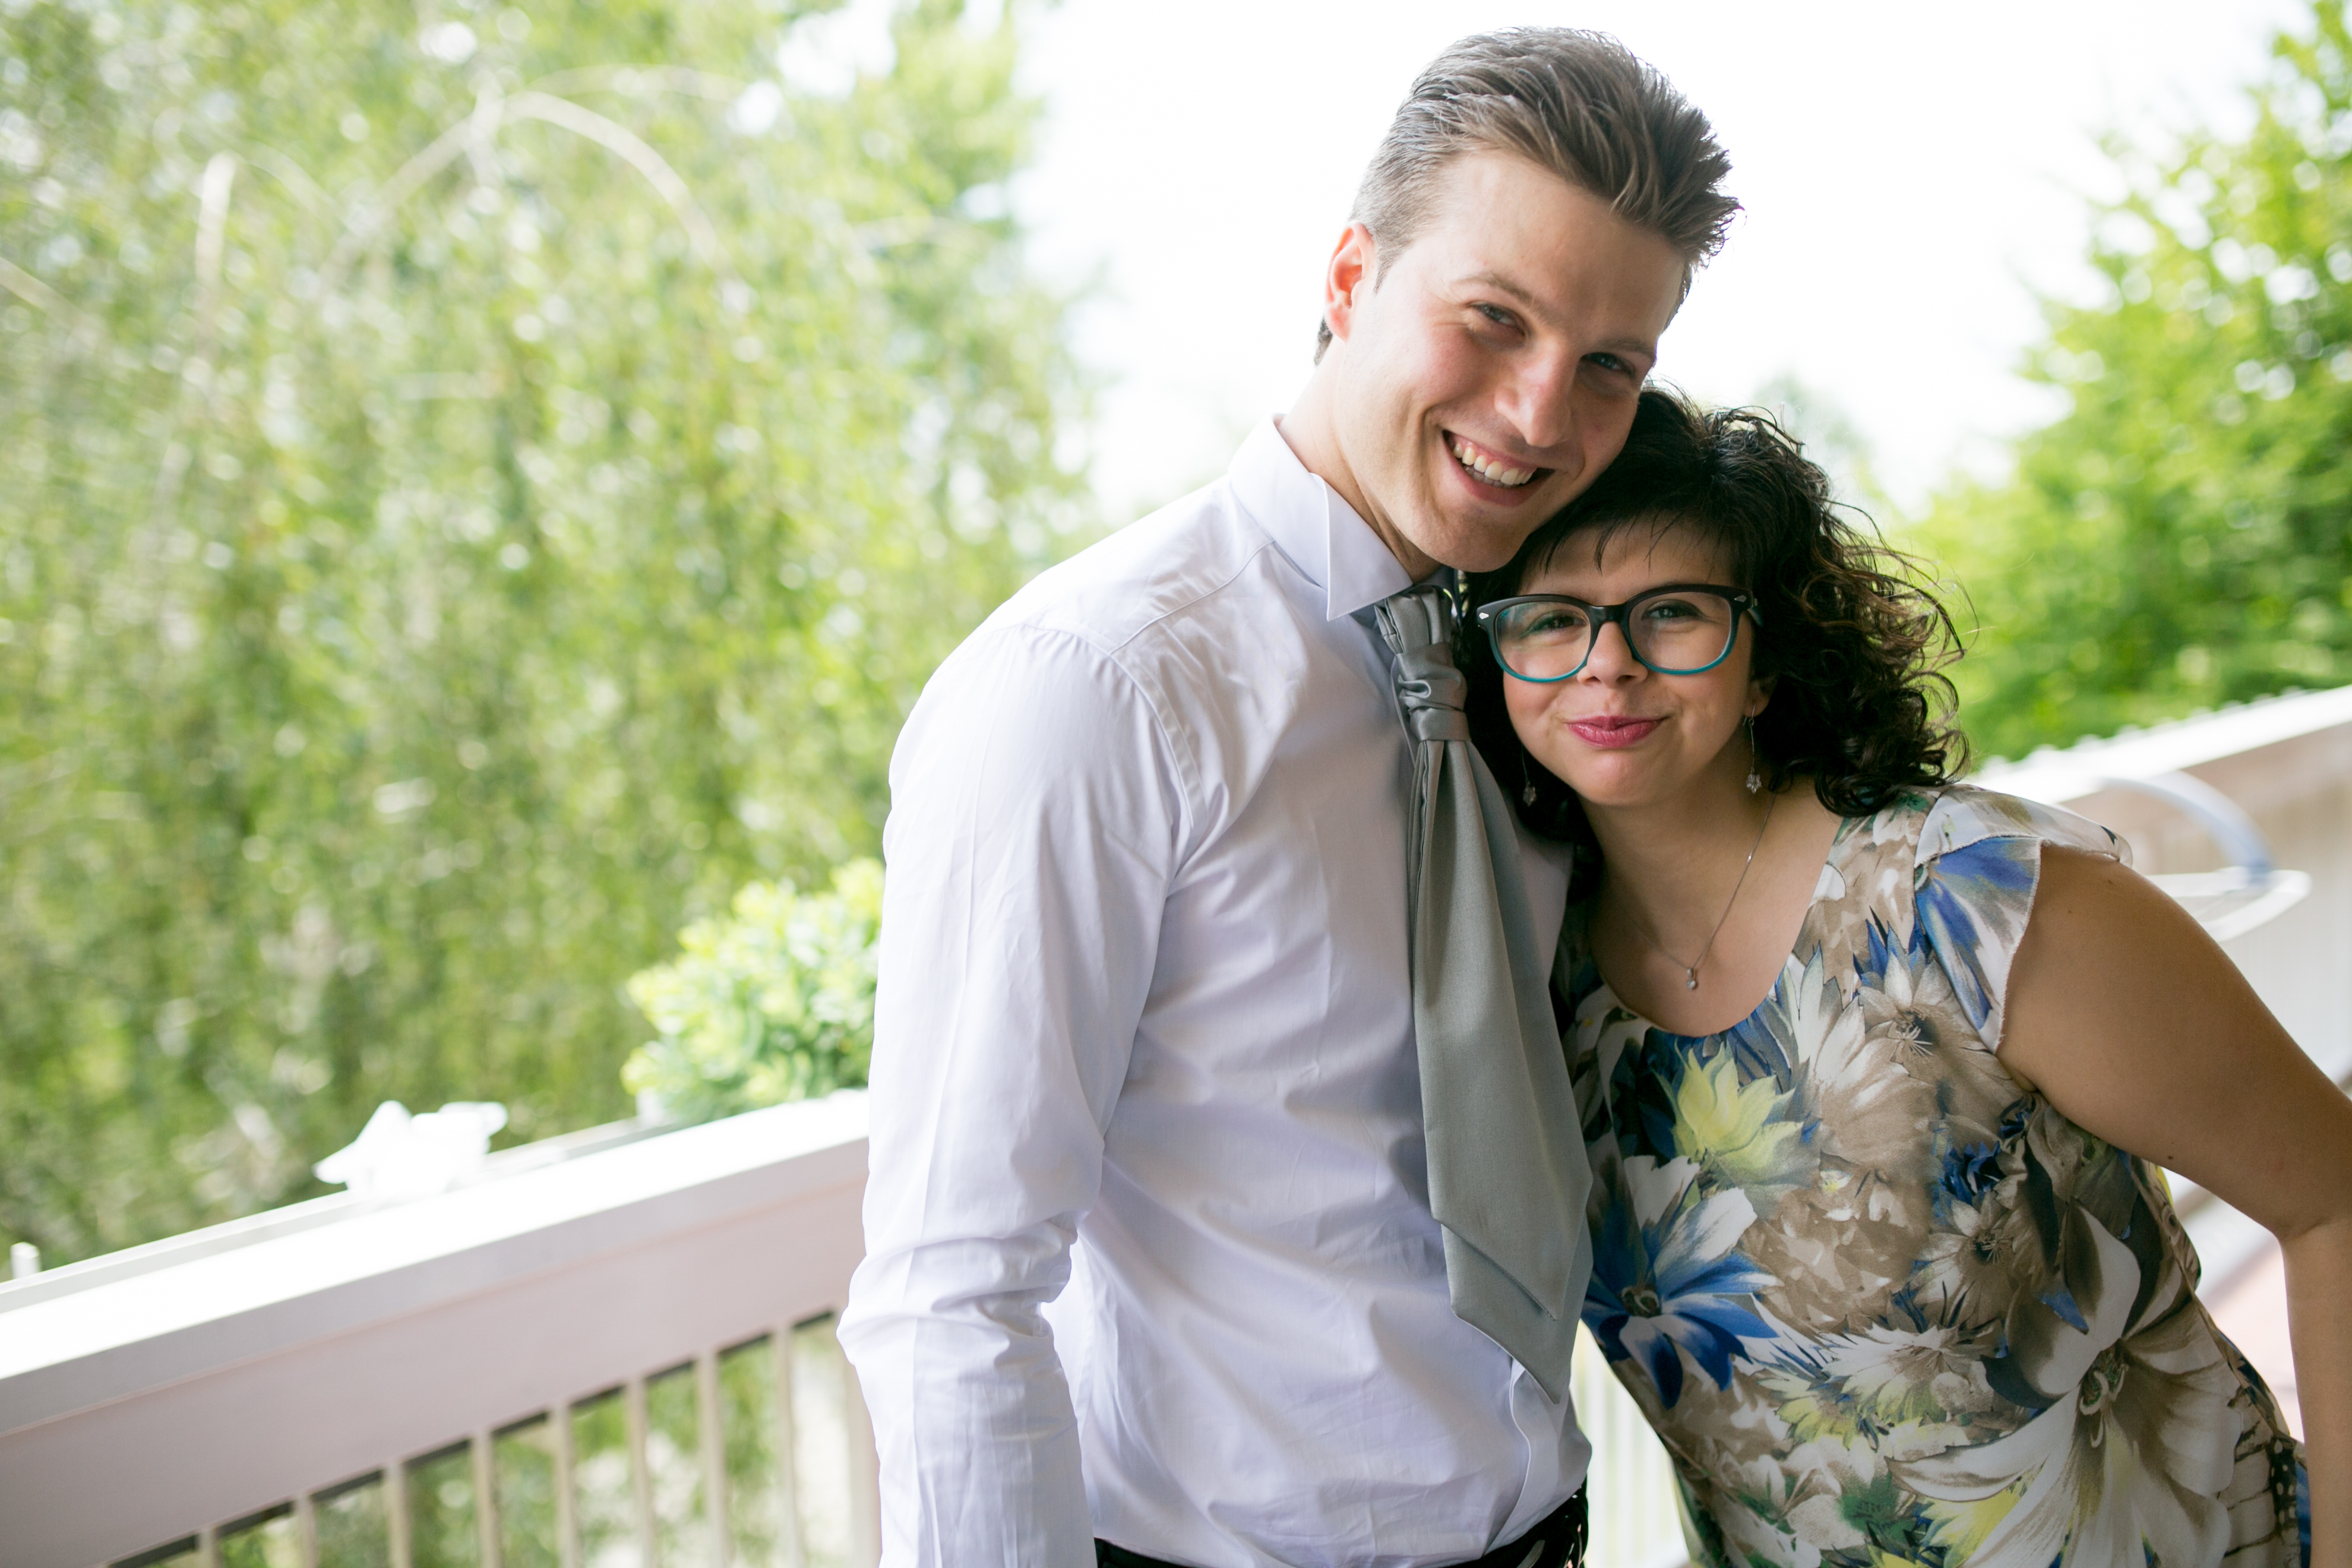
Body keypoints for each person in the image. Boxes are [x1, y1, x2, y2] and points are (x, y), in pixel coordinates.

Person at [837, 31, 1737, 1568]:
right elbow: (953, 1292)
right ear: (1346, 278)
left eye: (1608, 367)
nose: (1538, 416)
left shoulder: (1532, 665)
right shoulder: (1092, 687)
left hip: (1551, 1529)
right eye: (1492, 319)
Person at [1459, 387, 2351, 1567]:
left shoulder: (1974, 898)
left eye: (1671, 613)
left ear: (1766, 656)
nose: (1608, 666)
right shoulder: (1533, 983)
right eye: (1551, 619)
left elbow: (2334, 1198)